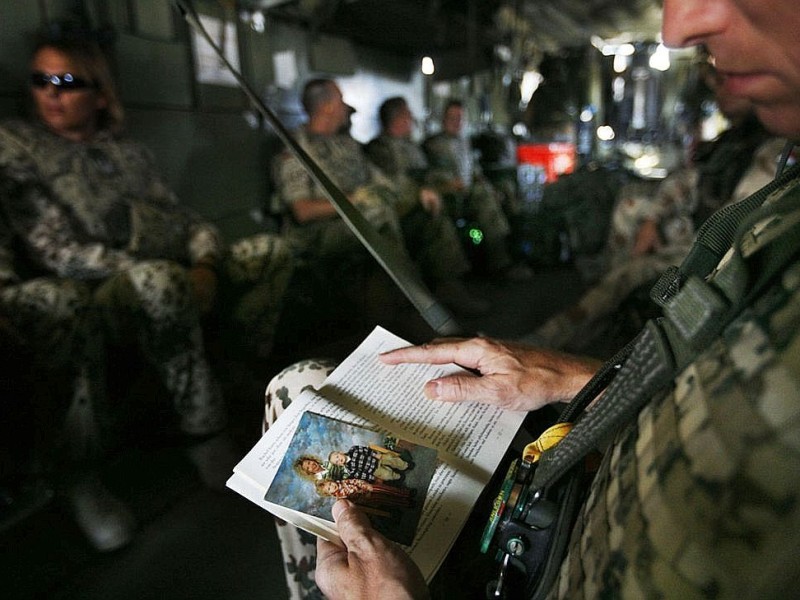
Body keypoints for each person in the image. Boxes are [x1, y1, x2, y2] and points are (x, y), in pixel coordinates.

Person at [265, 1, 800, 598]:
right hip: (569, 493)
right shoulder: (783, 206)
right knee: (315, 387)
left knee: (298, 397)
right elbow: (710, 403)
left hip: (557, 550)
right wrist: (579, 380)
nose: (679, 27)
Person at [0, 34, 294, 550]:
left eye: (67, 82)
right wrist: (154, 265)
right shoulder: (19, 148)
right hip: (100, 286)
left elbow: (183, 218)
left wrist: (203, 260)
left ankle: (238, 373)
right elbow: (56, 251)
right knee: (158, 281)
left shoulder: (127, 153)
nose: (52, 92)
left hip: (164, 271)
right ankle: (204, 431)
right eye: (40, 80)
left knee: (268, 251)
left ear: (98, 91)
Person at [530, 73, 785, 356]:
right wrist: (651, 220)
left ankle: (557, 334)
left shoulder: (774, 150)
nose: (722, 92)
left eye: (732, 84)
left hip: (718, 249)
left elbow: (736, 221)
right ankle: (606, 296)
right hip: (698, 229)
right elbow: (686, 181)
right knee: (631, 205)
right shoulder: (732, 142)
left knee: (626, 276)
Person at [273, 78, 488, 318]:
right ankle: (404, 304)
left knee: (425, 213)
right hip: (318, 233)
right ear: (328, 106)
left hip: (360, 217)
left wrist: (418, 193)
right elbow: (302, 211)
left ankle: (449, 289)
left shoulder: (346, 144)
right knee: (378, 213)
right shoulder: (296, 149)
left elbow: (381, 180)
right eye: (341, 101)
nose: (346, 107)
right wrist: (355, 200)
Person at [423, 99, 533, 281]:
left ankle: (516, 245)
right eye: (452, 118)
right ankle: (501, 263)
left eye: (460, 118)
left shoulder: (463, 143)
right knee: (484, 200)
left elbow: (474, 173)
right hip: (448, 195)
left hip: (466, 191)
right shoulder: (433, 145)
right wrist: (449, 185)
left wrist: (489, 188)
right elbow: (428, 177)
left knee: (501, 191)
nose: (456, 122)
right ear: (444, 119)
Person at [315, 478, 414, 509]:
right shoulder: (340, 498)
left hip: (367, 488)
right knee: (385, 500)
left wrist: (366, 486)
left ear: (331, 481)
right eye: (329, 488)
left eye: (330, 484)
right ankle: (404, 503)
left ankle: (405, 494)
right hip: (367, 498)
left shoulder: (343, 482)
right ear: (329, 493)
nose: (332, 486)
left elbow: (356, 481)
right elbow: (355, 502)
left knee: (381, 489)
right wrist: (365, 497)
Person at [328, 445, 409, 482]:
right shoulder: (350, 469)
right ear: (339, 465)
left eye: (337, 457)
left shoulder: (353, 449)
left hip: (376, 459)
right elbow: (362, 475)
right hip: (374, 470)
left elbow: (366, 450)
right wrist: (373, 478)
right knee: (387, 475)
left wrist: (375, 454)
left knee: (390, 459)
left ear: (340, 452)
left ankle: (404, 465)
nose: (339, 460)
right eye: (337, 462)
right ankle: (397, 476)